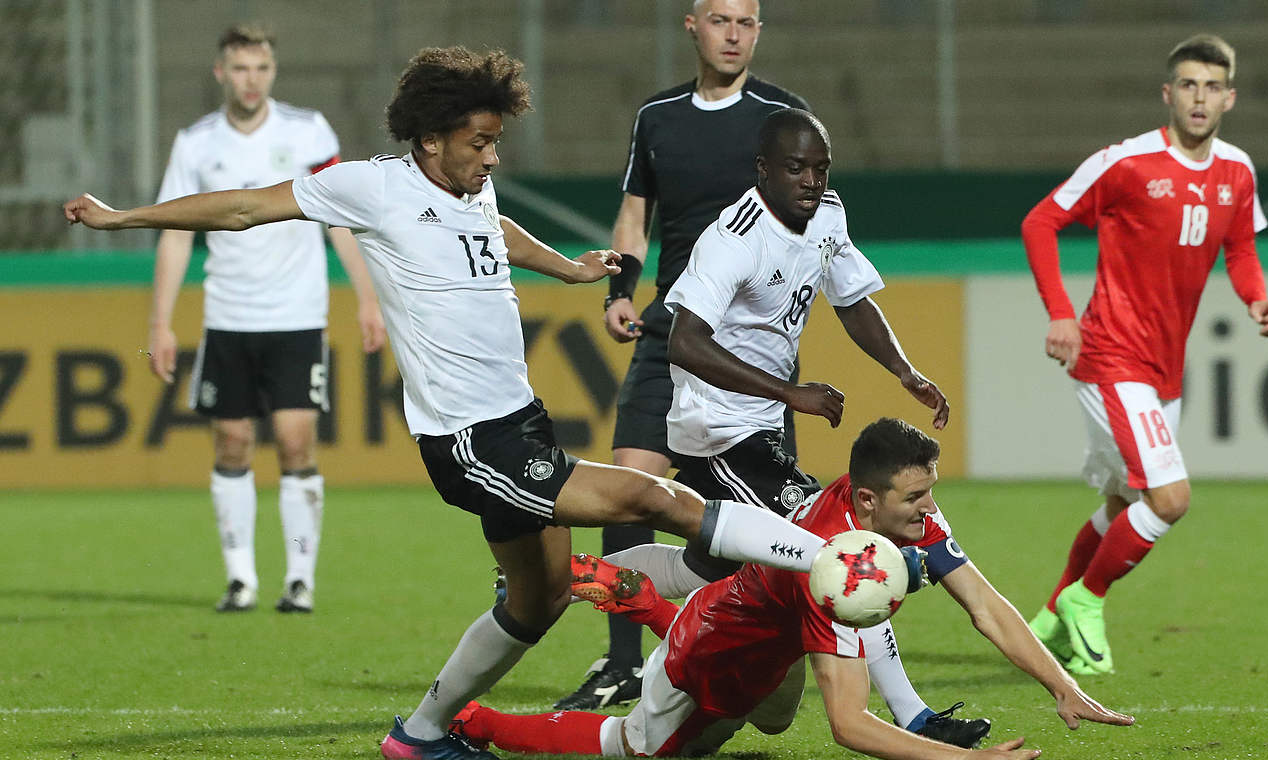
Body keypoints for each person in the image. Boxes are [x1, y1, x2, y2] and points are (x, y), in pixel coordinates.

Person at [65, 45, 838, 760]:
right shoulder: (371, 187)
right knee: (651, 497)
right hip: (472, 440)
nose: (492, 156)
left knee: (538, 601)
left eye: (495, 141)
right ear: (431, 139)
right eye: (480, 142)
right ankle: (824, 557)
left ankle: (419, 737)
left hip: (518, 418)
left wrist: (567, 269)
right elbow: (242, 208)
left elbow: (492, 228)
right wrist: (123, 218)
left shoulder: (471, 184)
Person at [447, 419, 1135, 759]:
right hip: (713, 652)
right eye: (916, 498)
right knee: (638, 747)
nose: (930, 510)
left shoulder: (887, 515)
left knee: (774, 721)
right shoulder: (831, 576)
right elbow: (849, 726)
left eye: (931, 492)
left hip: (768, 642)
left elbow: (983, 604)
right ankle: (474, 721)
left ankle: (629, 593)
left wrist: (1061, 685)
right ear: (867, 501)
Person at [641, 106, 982, 745]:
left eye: (820, 168)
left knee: (706, 567)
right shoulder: (732, 238)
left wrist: (904, 371)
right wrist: (790, 392)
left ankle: (571, 575)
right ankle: (914, 716)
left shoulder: (827, 213)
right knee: (842, 549)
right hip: (717, 431)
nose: (811, 180)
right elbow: (684, 343)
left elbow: (851, 299)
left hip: (762, 423)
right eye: (796, 168)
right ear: (763, 169)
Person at [564, 0, 811, 711]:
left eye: (747, 22)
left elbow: (812, 224)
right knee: (625, 485)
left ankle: (739, 653)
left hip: (750, 346)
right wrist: (620, 289)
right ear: (692, 26)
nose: (734, 34)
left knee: (755, 509)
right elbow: (635, 215)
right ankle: (622, 661)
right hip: (670, 331)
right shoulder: (657, 117)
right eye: (720, 19)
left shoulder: (784, 118)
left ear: (758, 30)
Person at [1020, 33, 1268, 676]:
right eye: (1188, 84)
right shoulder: (1127, 163)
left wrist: (1256, 297)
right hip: (1113, 356)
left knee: (1122, 505)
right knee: (1169, 499)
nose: (1200, 98)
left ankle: (1051, 616)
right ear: (1168, 93)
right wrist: (1061, 312)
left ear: (1229, 98)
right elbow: (1040, 221)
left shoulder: (1237, 171)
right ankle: (1086, 599)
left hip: (1166, 368)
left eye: (1212, 87)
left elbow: (1240, 248)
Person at [150, 24, 386, 614]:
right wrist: (160, 323)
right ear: (220, 74)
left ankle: (299, 578)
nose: (250, 80)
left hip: (296, 315)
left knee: (294, 440)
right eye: (239, 68)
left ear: (272, 72)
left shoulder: (307, 131)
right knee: (232, 444)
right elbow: (175, 235)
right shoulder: (196, 143)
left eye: (260, 68)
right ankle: (240, 579)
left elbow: (340, 218)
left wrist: (367, 296)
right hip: (228, 316)